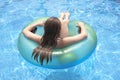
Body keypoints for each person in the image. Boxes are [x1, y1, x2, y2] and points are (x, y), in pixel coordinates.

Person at [22, 12, 88, 65]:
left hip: (52, 34)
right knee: (64, 23)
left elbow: (25, 31)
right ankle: (66, 16)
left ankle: (61, 17)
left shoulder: (40, 40)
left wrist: (36, 24)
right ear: (59, 30)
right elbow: (84, 35)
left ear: (45, 28)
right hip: (61, 36)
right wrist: (82, 25)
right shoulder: (62, 41)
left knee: (59, 23)